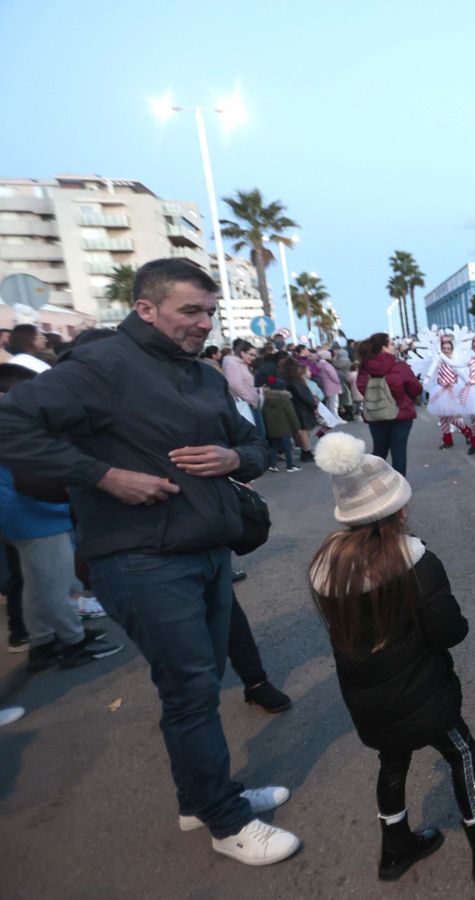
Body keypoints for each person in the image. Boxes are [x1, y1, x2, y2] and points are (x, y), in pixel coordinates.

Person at [0, 258, 299, 864]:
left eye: (210, 312)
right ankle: (225, 820)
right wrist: (104, 475)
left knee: (198, 686)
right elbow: (10, 422)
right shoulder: (103, 363)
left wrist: (232, 458)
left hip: (207, 550)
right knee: (191, 691)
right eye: (191, 310)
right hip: (140, 560)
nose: (204, 323)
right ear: (145, 309)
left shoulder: (200, 373)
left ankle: (200, 799)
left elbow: (255, 446)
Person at [309, 434, 475, 884]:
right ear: (397, 507)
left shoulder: (329, 563)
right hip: (420, 691)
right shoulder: (412, 560)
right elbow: (449, 630)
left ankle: (395, 848)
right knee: (462, 753)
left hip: (366, 696)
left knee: (392, 763)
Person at [0, 364, 124, 672]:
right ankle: (74, 642)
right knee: (58, 585)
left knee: (38, 583)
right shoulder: (16, 426)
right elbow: (33, 478)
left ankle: (43, 642)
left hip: (19, 517)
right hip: (37, 517)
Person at [357, 332, 424, 476]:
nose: (394, 347)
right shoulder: (399, 366)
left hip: (376, 413)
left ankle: (375, 485)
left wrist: (377, 397)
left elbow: (362, 387)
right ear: (383, 348)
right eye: (391, 344)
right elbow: (416, 389)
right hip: (401, 413)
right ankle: (399, 487)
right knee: (399, 451)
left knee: (379, 451)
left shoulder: (365, 367)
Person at [422, 334, 473, 450]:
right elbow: (431, 370)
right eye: (444, 348)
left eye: (448, 349)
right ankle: (448, 440)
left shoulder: (454, 362)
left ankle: (467, 431)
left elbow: (462, 374)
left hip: (451, 392)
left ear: (452, 350)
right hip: (440, 391)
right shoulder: (439, 362)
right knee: (442, 417)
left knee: (449, 417)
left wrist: (470, 382)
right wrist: (426, 379)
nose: (446, 351)